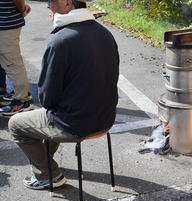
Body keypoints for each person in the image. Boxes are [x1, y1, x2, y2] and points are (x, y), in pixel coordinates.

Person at [8, 0, 120, 189]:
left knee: (16, 124)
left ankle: (47, 174)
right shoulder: (104, 32)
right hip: (106, 118)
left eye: (51, 1)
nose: (47, 6)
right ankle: (46, 162)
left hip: (76, 124)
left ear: (67, 3)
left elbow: (46, 98)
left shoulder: (61, 40)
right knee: (50, 114)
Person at [0, 0, 33, 115]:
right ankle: (22, 95)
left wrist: (22, 9)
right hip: (6, 21)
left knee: (12, 62)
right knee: (9, 61)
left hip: (5, 22)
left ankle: (22, 100)